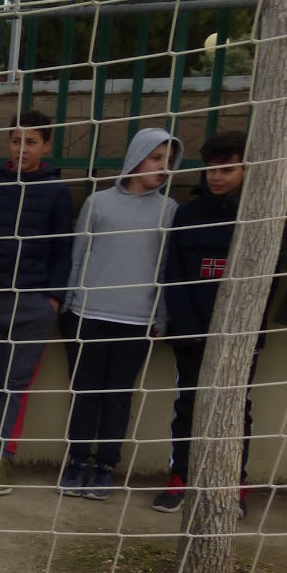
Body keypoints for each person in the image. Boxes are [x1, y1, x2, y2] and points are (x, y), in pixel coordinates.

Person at [58, 128, 180, 500]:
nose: (162, 167)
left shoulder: (169, 210)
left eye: (169, 161)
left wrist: (160, 317)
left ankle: (105, 467)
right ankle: (77, 462)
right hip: (88, 314)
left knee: (118, 396)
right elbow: (78, 254)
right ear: (136, 157)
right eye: (155, 158)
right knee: (85, 393)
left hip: (136, 320)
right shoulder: (98, 202)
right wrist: (68, 304)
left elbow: (165, 266)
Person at [0, 110, 74, 495]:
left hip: (33, 303)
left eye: (31, 142)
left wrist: (53, 298)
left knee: (16, 384)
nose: (22, 148)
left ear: (46, 146)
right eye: (15, 140)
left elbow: (63, 249)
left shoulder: (57, 191)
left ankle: (5, 458)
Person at [154, 131, 258, 514]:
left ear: (246, 169)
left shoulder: (259, 214)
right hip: (192, 331)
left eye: (226, 169)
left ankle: (231, 484)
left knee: (235, 408)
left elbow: (266, 280)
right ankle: (181, 476)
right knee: (189, 405)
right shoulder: (187, 214)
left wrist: (242, 330)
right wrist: (188, 327)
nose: (216, 177)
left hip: (241, 334)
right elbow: (174, 274)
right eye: (212, 169)